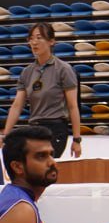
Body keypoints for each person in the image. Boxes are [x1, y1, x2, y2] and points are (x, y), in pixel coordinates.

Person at [1, 23, 81, 160]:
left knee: (44, 166)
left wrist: (76, 139)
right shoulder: (27, 72)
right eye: (31, 38)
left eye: (39, 38)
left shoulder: (63, 69)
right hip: (34, 128)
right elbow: (17, 106)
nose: (34, 42)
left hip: (55, 128)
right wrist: (5, 135)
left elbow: (73, 106)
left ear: (51, 41)